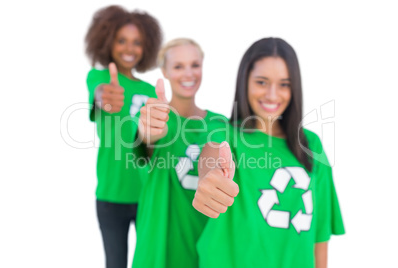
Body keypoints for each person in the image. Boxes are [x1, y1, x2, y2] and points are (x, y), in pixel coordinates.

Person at [193, 37, 345, 268]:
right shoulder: (225, 134)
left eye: (284, 84)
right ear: (245, 81)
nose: (273, 95)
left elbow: (319, 237)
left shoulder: (311, 144)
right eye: (262, 82)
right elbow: (211, 155)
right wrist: (210, 177)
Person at [132, 38, 228, 268]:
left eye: (195, 65)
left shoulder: (221, 124)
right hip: (157, 251)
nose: (188, 73)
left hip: (205, 248)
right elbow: (148, 139)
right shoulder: (158, 119)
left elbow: (220, 156)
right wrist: (148, 129)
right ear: (164, 70)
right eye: (178, 66)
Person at [84, 5, 162, 268]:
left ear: (147, 47)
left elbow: (155, 142)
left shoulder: (150, 89)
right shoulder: (99, 77)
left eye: (137, 42)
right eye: (122, 41)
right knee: (115, 262)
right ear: (107, 42)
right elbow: (98, 94)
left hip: (146, 193)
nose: (130, 48)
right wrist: (103, 96)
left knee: (147, 261)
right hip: (111, 194)